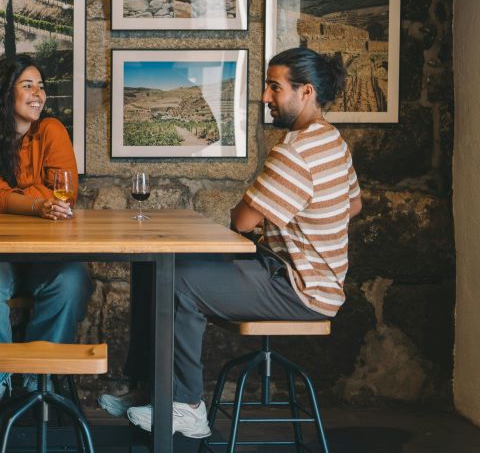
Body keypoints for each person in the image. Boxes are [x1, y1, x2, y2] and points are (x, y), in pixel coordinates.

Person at [121, 47, 362, 438]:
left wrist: (280, 221)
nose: (265, 97)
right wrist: (303, 225)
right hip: (306, 278)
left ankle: (186, 407)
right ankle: (149, 391)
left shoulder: (295, 151)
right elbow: (353, 204)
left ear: (306, 92)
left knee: (178, 281)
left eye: (274, 87)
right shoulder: (333, 141)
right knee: (159, 268)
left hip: (301, 289)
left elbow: (242, 220)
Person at [0, 54, 93, 406]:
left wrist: (13, 201)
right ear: (4, 93)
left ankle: (37, 375)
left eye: (41, 86)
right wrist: (37, 204)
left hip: (50, 253)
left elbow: (66, 193)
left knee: (73, 281)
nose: (38, 94)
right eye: (27, 85)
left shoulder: (52, 130)